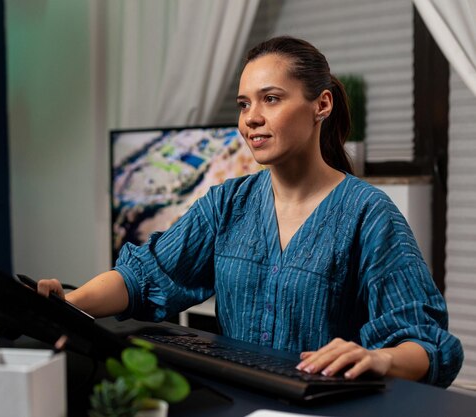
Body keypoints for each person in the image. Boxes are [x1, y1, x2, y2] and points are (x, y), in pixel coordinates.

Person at [38, 36, 463, 387]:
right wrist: (64, 305)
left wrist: (381, 359)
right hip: (237, 400)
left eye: (271, 99)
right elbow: (143, 276)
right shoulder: (227, 204)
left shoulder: (370, 215)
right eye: (244, 104)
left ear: (322, 105)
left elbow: (425, 343)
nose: (251, 120)